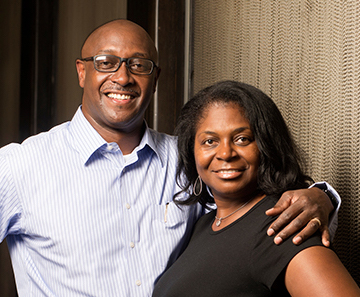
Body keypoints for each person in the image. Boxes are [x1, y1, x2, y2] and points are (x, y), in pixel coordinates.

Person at [0, 20, 339, 296]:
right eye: (106, 63)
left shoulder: (189, 161)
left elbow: (251, 215)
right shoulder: (19, 167)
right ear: (81, 72)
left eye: (139, 65)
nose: (122, 77)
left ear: (155, 78)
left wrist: (321, 197)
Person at [152, 80, 359, 297]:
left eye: (242, 139)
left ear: (266, 145)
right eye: (210, 141)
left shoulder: (279, 225)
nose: (225, 153)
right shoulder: (205, 224)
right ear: (191, 150)